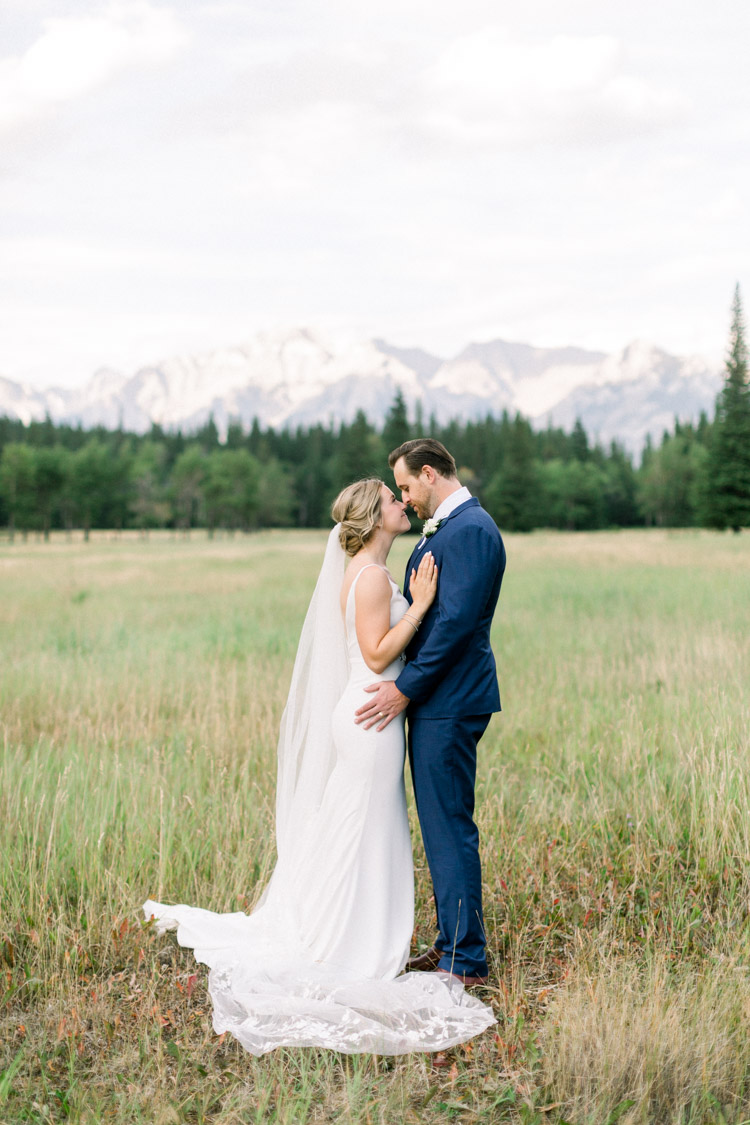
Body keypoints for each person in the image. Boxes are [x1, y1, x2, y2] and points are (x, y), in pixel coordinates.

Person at [143, 478, 495, 1056]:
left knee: (356, 826)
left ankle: (349, 930)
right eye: (391, 500)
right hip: (372, 716)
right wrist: (425, 605)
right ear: (373, 518)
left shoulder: (367, 570)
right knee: (363, 827)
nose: (401, 505)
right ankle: (345, 945)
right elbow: (379, 652)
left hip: (365, 713)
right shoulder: (374, 576)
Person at [355, 439, 506, 985]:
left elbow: (456, 626)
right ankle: (450, 945)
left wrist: (406, 691)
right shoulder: (454, 527)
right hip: (442, 698)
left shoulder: (470, 530)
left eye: (405, 487)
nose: (405, 497)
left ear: (428, 474)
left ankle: (465, 960)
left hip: (449, 701)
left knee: (449, 827)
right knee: (441, 827)